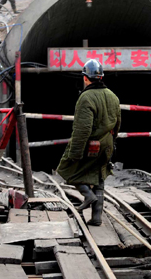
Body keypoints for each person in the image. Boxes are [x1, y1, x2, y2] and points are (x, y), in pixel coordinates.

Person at [56, 60, 121, 226]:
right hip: (106, 145)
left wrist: (75, 153)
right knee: (99, 178)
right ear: (101, 77)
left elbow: (82, 129)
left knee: (67, 169)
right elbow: (118, 123)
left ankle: (87, 195)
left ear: (86, 78)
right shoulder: (113, 96)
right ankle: (96, 218)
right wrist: (111, 143)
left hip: (92, 145)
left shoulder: (86, 97)